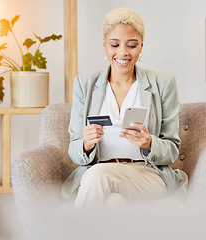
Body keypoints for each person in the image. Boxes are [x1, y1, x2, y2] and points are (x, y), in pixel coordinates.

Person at [61, 7, 188, 208]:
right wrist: (85, 144)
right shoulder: (84, 84)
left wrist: (149, 143)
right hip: (99, 173)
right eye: (115, 44)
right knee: (113, 203)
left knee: (99, 176)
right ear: (105, 45)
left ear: (141, 47)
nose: (123, 52)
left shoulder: (163, 84)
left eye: (131, 45)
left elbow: (172, 150)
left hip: (148, 176)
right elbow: (74, 151)